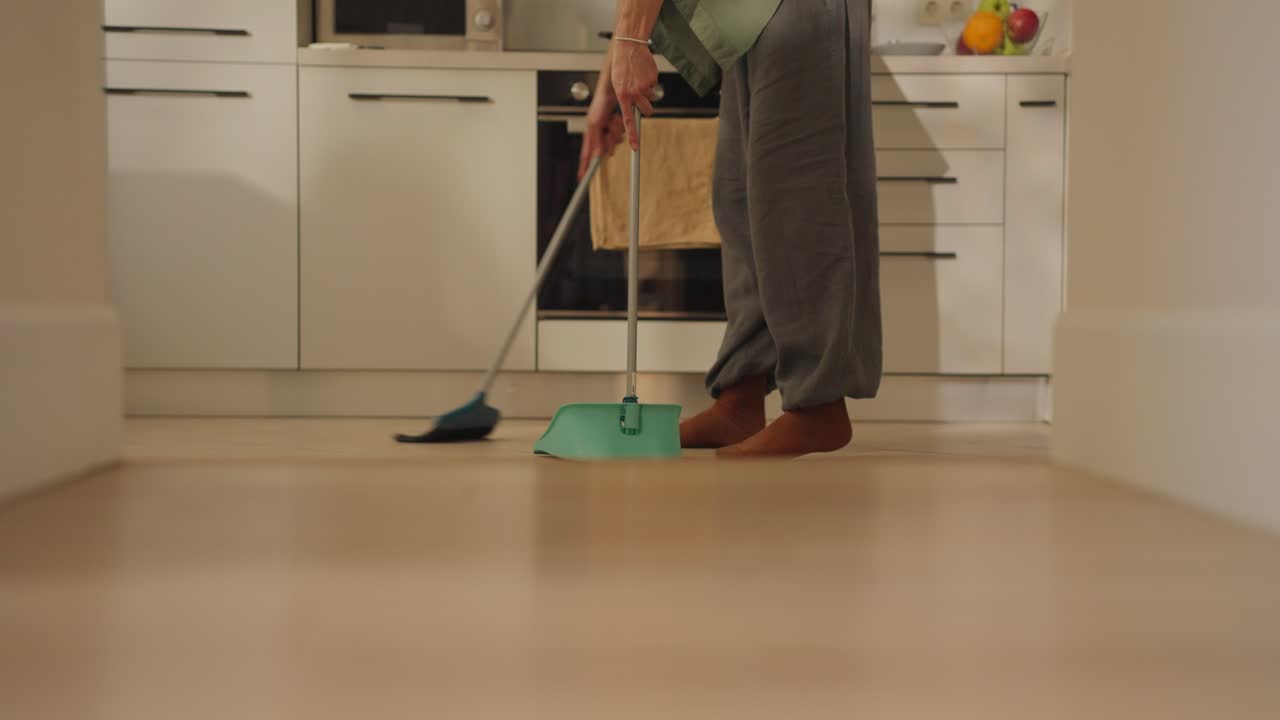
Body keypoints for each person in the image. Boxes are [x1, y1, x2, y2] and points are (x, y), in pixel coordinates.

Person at [579, 0, 881, 458]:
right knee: (740, 199)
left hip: (793, 11)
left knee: (796, 202)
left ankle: (819, 406)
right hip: (750, 15)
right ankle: (741, 395)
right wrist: (610, 83)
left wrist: (629, 42)